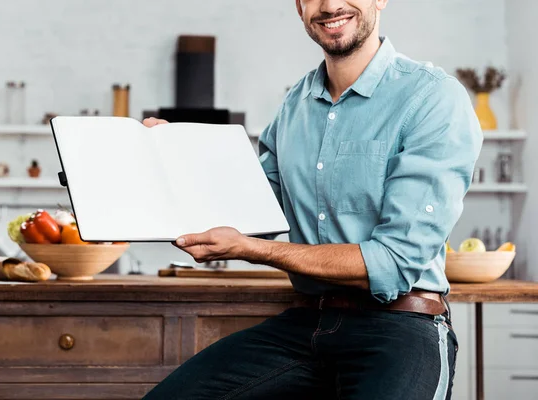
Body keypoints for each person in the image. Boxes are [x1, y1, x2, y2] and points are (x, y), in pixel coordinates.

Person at [143, 0, 483, 399]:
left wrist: (255, 250)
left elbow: (393, 262)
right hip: (309, 322)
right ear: (299, 7)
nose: (331, 5)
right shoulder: (294, 105)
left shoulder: (432, 97)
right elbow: (252, 210)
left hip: (402, 327)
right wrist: (173, 157)